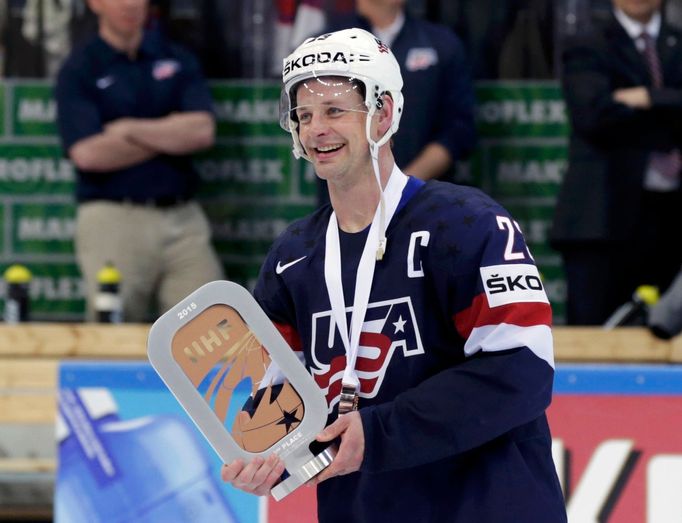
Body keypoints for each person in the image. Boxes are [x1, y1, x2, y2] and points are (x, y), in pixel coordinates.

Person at [221, 28, 566, 522]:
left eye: (335, 111)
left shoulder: (467, 224)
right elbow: (288, 409)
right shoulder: (290, 258)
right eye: (304, 115)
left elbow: (522, 371)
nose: (315, 129)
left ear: (383, 113)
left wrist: (377, 432)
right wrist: (269, 455)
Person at [55, 0, 223, 322]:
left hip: (183, 217)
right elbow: (88, 154)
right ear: (95, 4)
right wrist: (169, 133)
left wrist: (128, 130)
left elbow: (201, 131)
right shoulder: (80, 68)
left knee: (210, 327)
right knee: (113, 331)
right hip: (114, 218)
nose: (130, 4)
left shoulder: (176, 57)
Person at [550, 0, 682, 325]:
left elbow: (617, 112)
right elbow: (593, 115)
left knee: (664, 334)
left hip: (671, 221)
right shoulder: (587, 42)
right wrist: (672, 109)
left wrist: (648, 98)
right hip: (602, 218)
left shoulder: (677, 41)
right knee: (595, 334)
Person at [311, 0, 476, 209]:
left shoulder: (442, 44)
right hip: (347, 208)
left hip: (427, 206)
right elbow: (311, 125)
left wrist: (401, 187)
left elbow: (458, 131)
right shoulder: (322, 49)